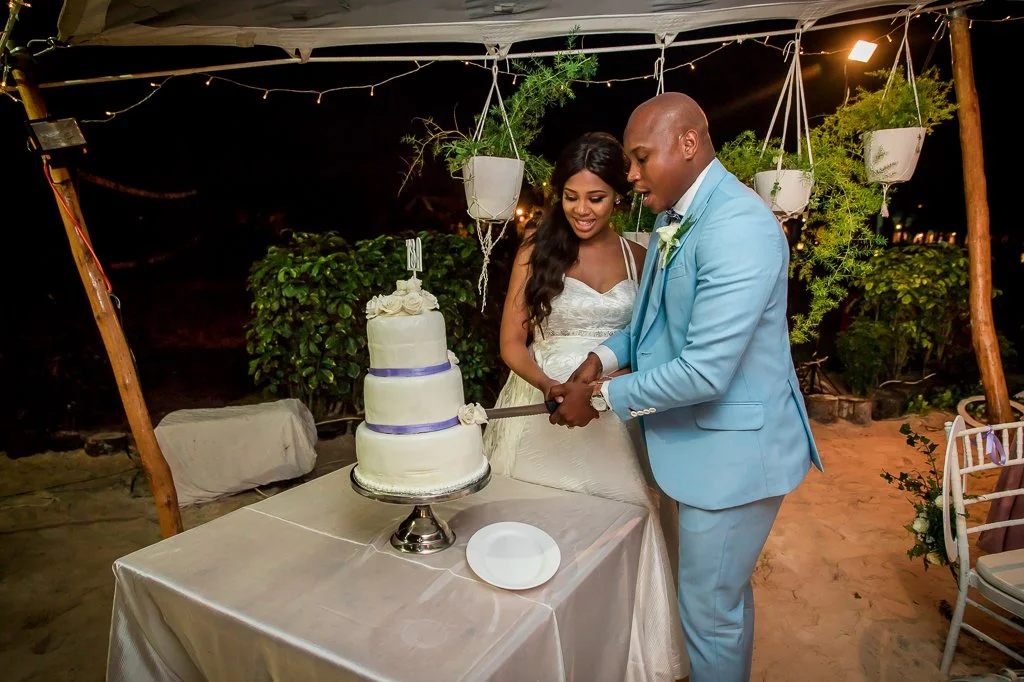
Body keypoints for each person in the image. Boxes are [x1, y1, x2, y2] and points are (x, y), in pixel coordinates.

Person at [549, 93, 823, 682]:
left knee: (708, 613)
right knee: (717, 602)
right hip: (700, 449)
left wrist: (600, 398)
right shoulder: (674, 219)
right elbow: (649, 325)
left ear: (689, 144)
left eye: (641, 158)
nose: (630, 174)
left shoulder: (739, 226)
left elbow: (705, 370)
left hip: (734, 457)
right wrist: (596, 360)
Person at [483, 131, 687, 682]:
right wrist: (549, 385)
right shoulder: (536, 248)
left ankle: (620, 657)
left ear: (619, 194)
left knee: (624, 529)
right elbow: (511, 344)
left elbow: (651, 345)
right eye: (571, 196)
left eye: (595, 197)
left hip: (615, 413)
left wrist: (610, 385)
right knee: (539, 533)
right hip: (542, 407)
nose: (582, 209)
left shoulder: (641, 256)